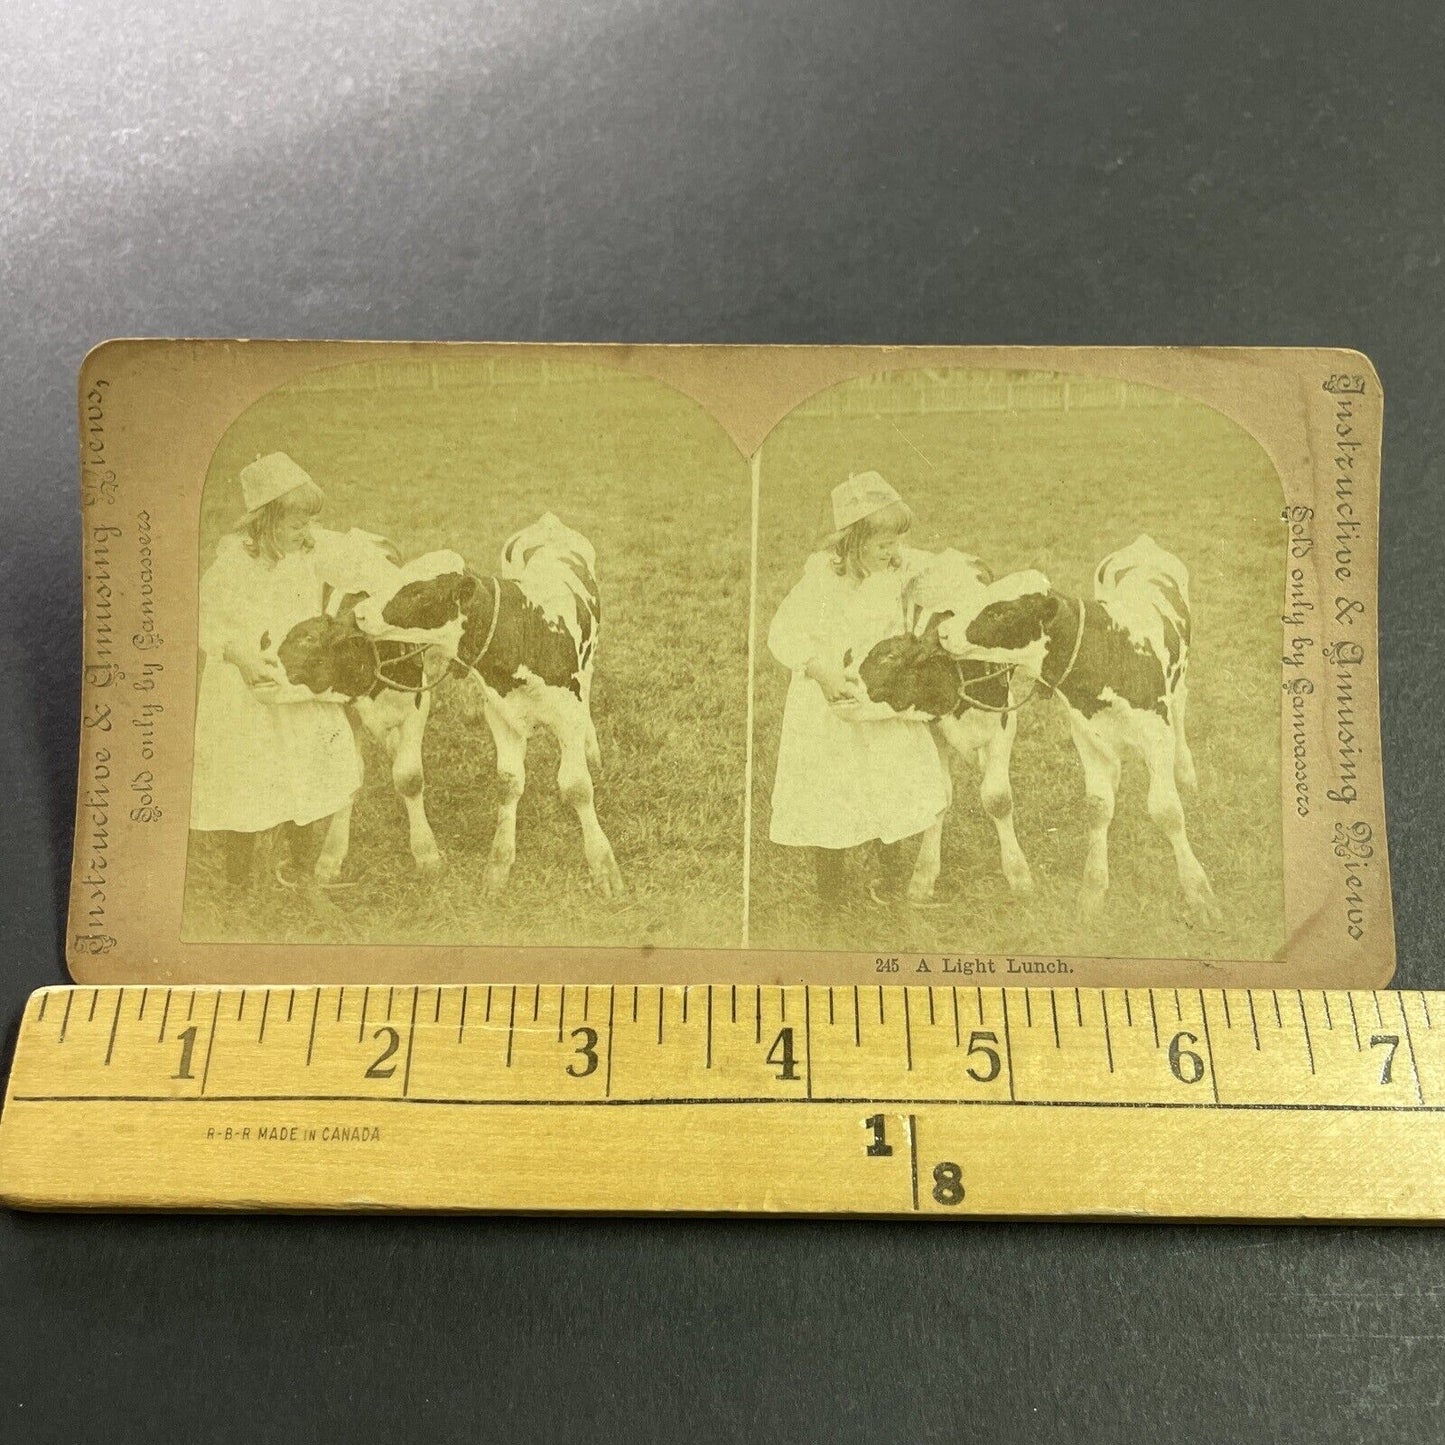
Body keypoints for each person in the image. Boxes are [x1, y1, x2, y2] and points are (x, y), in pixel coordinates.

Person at [766, 471, 951, 918]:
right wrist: (821, 671)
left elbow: (939, 574)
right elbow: (784, 632)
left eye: (897, 542)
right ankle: (829, 894)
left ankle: (887, 877)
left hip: (879, 701)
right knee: (832, 795)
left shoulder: (895, 570)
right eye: (884, 544)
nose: (894, 552)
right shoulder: (821, 584)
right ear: (850, 543)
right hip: (830, 707)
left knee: (888, 787)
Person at [190, 452, 378, 889]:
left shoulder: (307, 551)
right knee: (247, 778)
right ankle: (237, 878)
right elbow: (209, 621)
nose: (307, 532)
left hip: (298, 684)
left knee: (305, 772)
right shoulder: (233, 566)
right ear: (264, 524)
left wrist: (386, 584)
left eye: (311, 523)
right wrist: (240, 656)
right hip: (247, 690)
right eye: (298, 525)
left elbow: (359, 563)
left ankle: (298, 866)